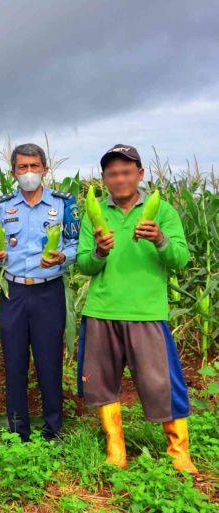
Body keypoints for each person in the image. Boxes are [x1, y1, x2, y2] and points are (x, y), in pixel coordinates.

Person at [77, 144, 197, 473]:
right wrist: (99, 252)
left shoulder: (163, 212)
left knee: (161, 383)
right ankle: (116, 447)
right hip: (103, 310)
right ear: (104, 178)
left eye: (127, 171)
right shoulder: (94, 212)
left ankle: (179, 452)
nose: (120, 178)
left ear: (140, 174)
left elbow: (181, 260)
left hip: (147, 311)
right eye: (112, 173)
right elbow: (84, 265)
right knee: (102, 382)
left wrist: (160, 240)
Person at [0, 143, 79, 443]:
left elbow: (77, 244)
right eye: (22, 168)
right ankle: (18, 431)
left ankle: (53, 431)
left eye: (34, 166)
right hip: (13, 292)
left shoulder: (64, 204)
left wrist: (63, 257)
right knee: (13, 362)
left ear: (45, 169)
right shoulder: (1, 207)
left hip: (48, 292)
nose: (29, 173)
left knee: (49, 361)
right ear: (13, 172)